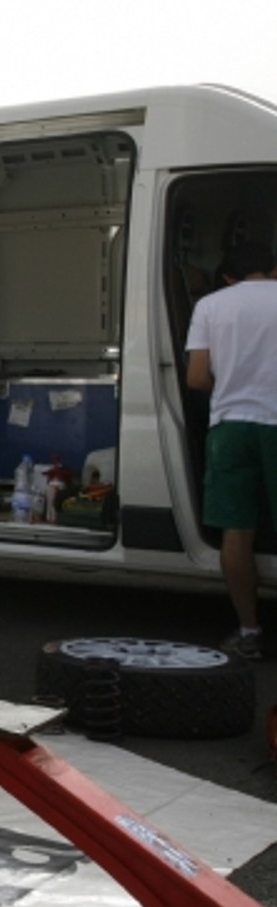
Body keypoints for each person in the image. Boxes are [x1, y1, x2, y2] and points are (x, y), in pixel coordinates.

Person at [185, 239, 277, 660]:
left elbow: (197, 378)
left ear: (228, 276)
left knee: (236, 533)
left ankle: (249, 632)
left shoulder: (211, 306)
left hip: (232, 427)